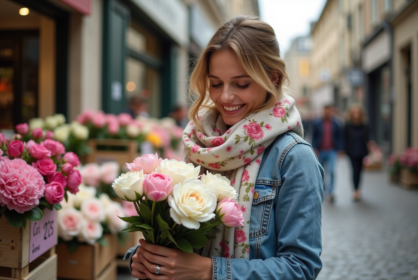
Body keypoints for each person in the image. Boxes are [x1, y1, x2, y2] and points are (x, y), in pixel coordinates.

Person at [126, 16, 324, 280]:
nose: (225, 97)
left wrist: (210, 271)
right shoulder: (200, 143)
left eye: (241, 84)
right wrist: (141, 259)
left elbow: (301, 267)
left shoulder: (293, 157)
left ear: (272, 78)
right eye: (216, 83)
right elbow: (179, 246)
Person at [312, 105, 344, 203]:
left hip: (332, 151)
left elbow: (340, 136)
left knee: (332, 170)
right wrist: (314, 148)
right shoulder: (317, 123)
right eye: (326, 110)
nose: (327, 112)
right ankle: (324, 190)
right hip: (321, 151)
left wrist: (340, 149)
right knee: (322, 172)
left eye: (329, 110)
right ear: (324, 111)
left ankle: (331, 191)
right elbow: (314, 136)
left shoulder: (336, 123)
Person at [344, 103, 370, 201]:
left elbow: (368, 138)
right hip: (351, 151)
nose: (356, 114)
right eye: (354, 112)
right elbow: (345, 137)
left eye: (357, 112)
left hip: (362, 151)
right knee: (354, 170)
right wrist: (344, 149)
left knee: (360, 171)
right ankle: (355, 190)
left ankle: (358, 189)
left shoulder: (365, 125)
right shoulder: (348, 125)